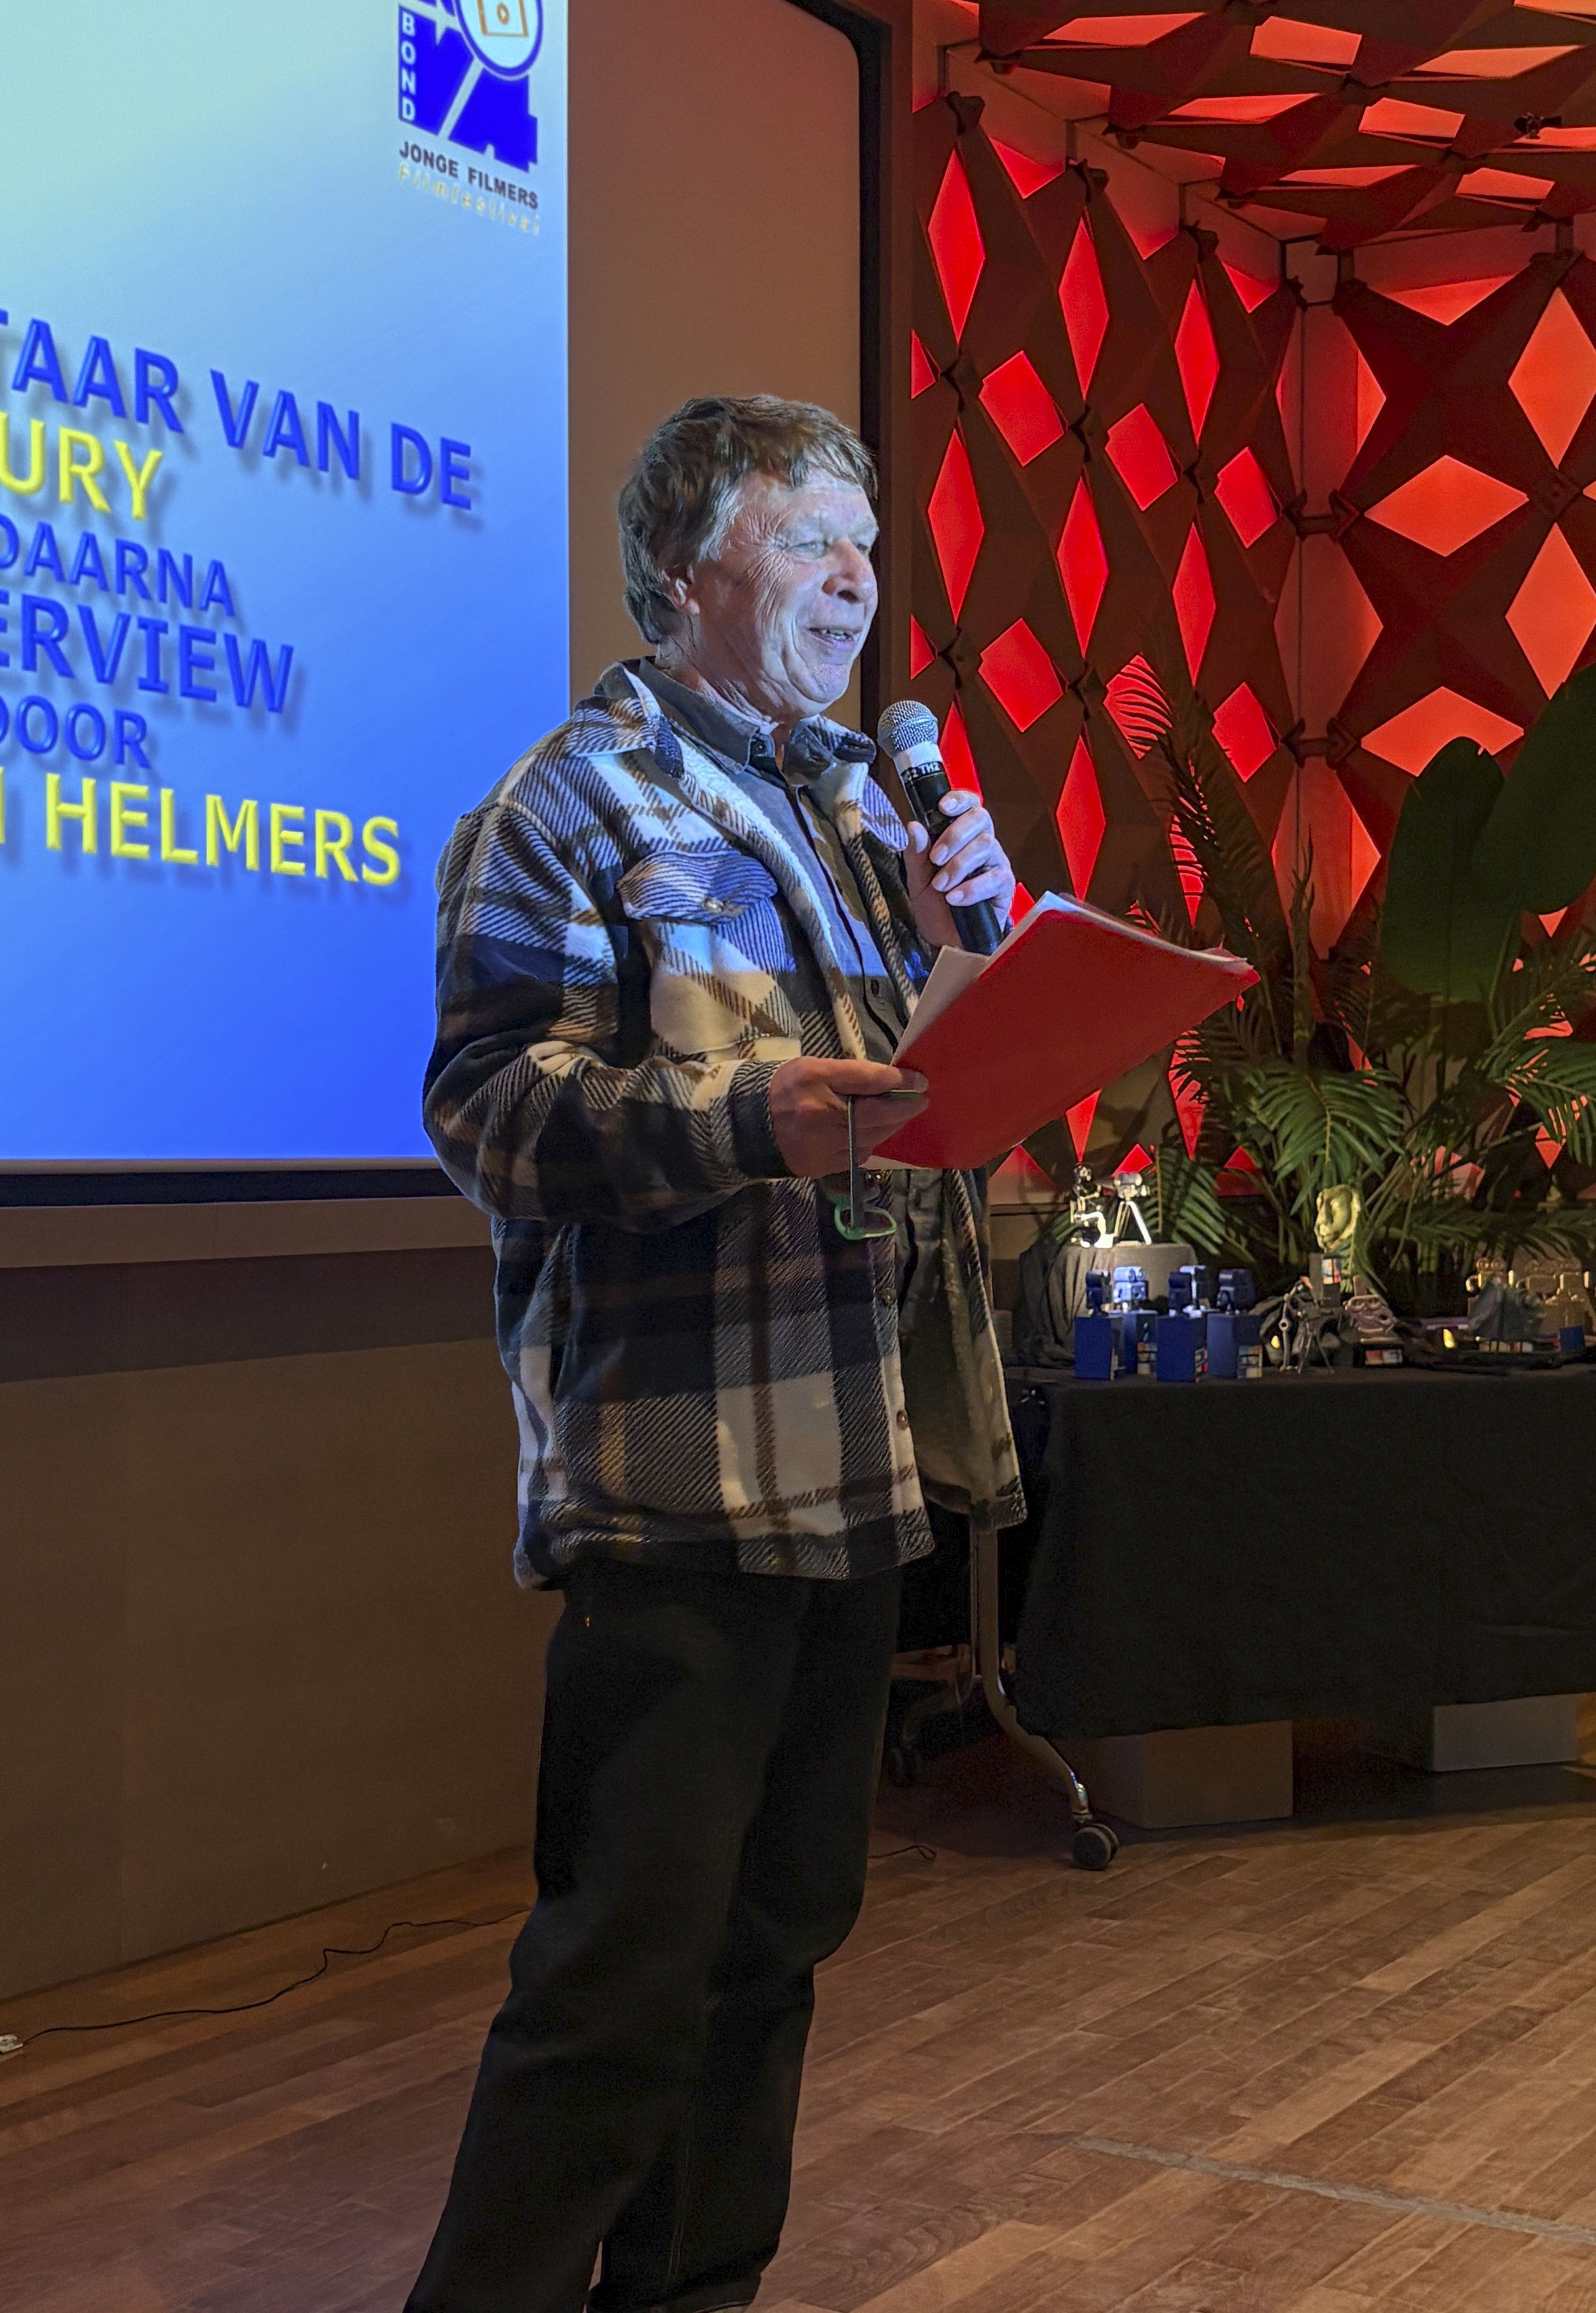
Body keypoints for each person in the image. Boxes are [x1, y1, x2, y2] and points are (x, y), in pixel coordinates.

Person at [406, 394, 1024, 2313]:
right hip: (677, 1469)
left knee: (775, 1953)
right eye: (808, 538)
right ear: (688, 575)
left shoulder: (856, 809)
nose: (856, 578)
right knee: (624, 1978)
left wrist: (974, 953)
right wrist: (749, 1120)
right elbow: (488, 1110)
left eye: (866, 545)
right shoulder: (568, 805)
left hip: (855, 1453)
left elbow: (918, 1101)